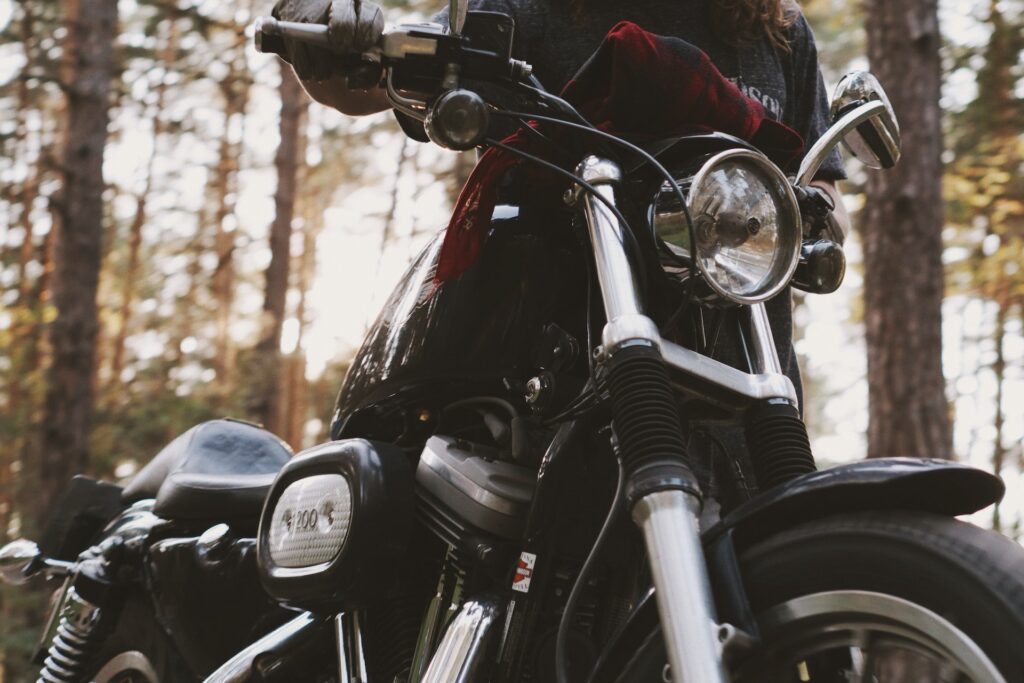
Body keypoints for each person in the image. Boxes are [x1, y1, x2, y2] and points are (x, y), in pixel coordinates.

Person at [271, 0, 850, 497]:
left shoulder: (778, 29)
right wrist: (325, 36)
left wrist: (815, 214)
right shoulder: (524, 8)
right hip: (552, 385)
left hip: (747, 385)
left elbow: (820, 184)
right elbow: (377, 74)